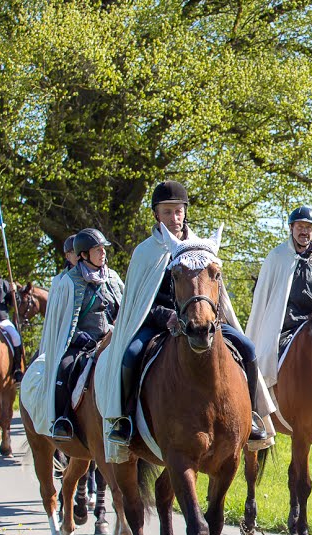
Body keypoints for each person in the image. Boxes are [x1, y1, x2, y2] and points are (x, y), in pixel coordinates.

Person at [95, 180, 271, 457]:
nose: (174, 218)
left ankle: (251, 416)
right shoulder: (145, 252)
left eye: (178, 211)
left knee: (247, 348)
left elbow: (215, 289)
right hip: (157, 324)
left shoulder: (200, 245)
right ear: (156, 215)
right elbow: (140, 303)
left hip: (202, 319)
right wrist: (167, 318)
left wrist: (212, 314)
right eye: (167, 212)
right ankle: (125, 420)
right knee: (130, 355)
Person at [37, 229, 125, 441]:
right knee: (65, 367)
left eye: (103, 249)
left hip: (112, 338)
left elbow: (124, 307)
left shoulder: (111, 277)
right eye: (98, 250)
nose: (103, 253)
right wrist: (80, 337)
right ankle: (62, 419)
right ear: (84, 254)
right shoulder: (69, 282)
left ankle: (126, 420)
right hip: (83, 342)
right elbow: (64, 321)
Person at [245, 206, 312, 389]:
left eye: (308, 227)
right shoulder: (277, 257)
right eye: (300, 227)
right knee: (268, 358)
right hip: (286, 325)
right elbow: (267, 298)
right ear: (291, 228)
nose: (304, 231)